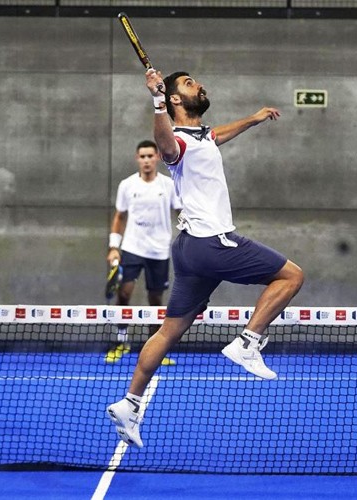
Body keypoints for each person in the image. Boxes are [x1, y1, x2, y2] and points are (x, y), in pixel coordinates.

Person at [106, 70, 304, 448]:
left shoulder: (200, 136)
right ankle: (247, 342)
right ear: (176, 99)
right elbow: (166, 145)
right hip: (213, 241)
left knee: (169, 330)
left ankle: (130, 403)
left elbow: (216, 136)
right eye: (190, 84)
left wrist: (253, 118)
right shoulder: (175, 140)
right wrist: (157, 99)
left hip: (188, 250)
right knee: (291, 277)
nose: (199, 85)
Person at [104, 140, 182, 366]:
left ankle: (154, 348)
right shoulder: (127, 185)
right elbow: (120, 216)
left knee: (156, 300)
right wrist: (113, 247)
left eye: (150, 156)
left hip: (159, 250)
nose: (147, 160)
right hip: (132, 248)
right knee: (124, 293)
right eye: (142, 156)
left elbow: (180, 211)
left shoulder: (168, 185)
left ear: (157, 157)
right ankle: (121, 341)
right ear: (137, 159)